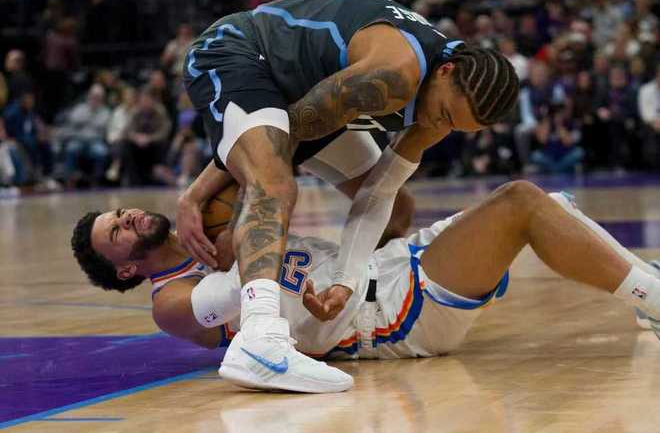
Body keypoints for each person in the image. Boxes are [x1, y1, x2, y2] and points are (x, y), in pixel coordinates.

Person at [177, 0, 519, 393]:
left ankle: (355, 306)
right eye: (444, 115)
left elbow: (379, 193)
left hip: (310, 98)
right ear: (445, 71)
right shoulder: (391, 75)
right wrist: (200, 193)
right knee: (274, 186)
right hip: (243, 52)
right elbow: (287, 134)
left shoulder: (442, 99)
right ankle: (259, 337)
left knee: (398, 208)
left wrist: (345, 281)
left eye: (455, 127)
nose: (439, 126)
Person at [72, 180, 660, 379]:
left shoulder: (211, 227)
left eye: (119, 213)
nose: (126, 218)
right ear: (124, 268)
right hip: (388, 315)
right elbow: (233, 290)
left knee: (553, 205)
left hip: (388, 264)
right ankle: (655, 297)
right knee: (521, 204)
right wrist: (248, 216)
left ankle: (644, 292)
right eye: (114, 231)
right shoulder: (170, 302)